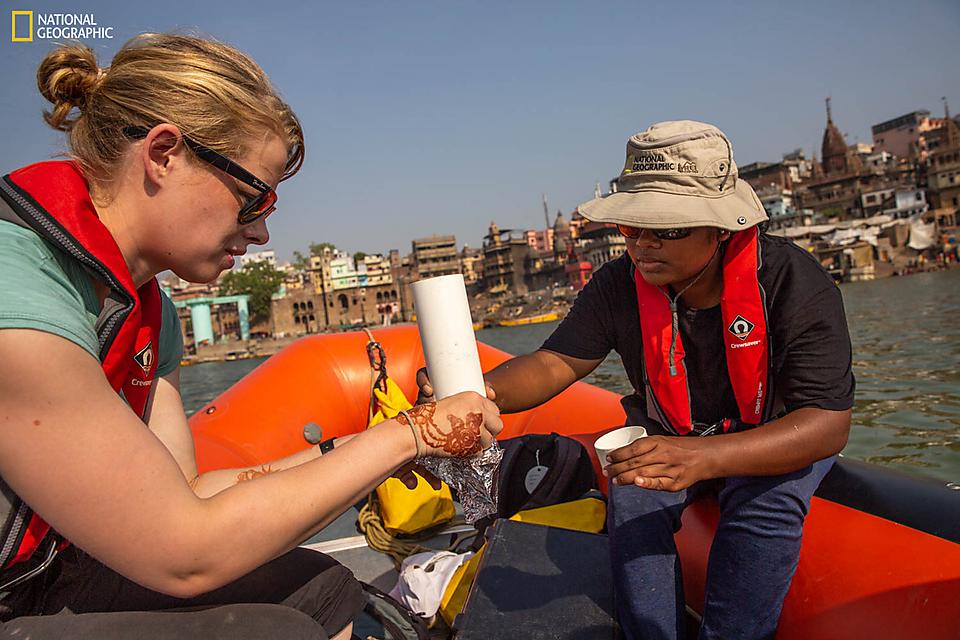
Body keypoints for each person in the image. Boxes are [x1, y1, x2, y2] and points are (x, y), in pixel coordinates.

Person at [0, 35, 502, 639]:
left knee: (326, 589)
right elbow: (185, 552)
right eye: (252, 198)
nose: (262, 232)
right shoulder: (18, 285)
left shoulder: (148, 307)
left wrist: (382, 442)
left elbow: (191, 490)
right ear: (163, 154)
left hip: (50, 574)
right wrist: (412, 433)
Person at [418, 120, 854, 639]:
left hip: (773, 437)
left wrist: (702, 457)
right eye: (631, 228)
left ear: (720, 228)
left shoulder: (792, 281)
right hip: (668, 430)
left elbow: (827, 425)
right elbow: (557, 362)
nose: (643, 245)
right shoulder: (617, 285)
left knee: (765, 506)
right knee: (632, 492)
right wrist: (482, 392)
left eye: (666, 229)